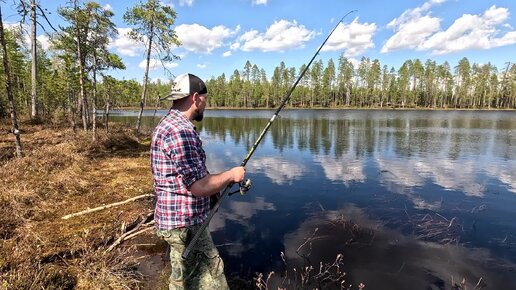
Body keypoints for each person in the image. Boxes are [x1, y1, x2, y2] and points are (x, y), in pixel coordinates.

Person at [150, 73, 245, 290]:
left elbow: (185, 176)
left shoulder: (167, 124)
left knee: (182, 278)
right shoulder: (180, 132)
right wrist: (231, 175)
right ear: (195, 98)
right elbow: (198, 186)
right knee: (213, 279)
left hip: (173, 222)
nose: (206, 103)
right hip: (185, 225)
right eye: (205, 98)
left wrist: (213, 189)